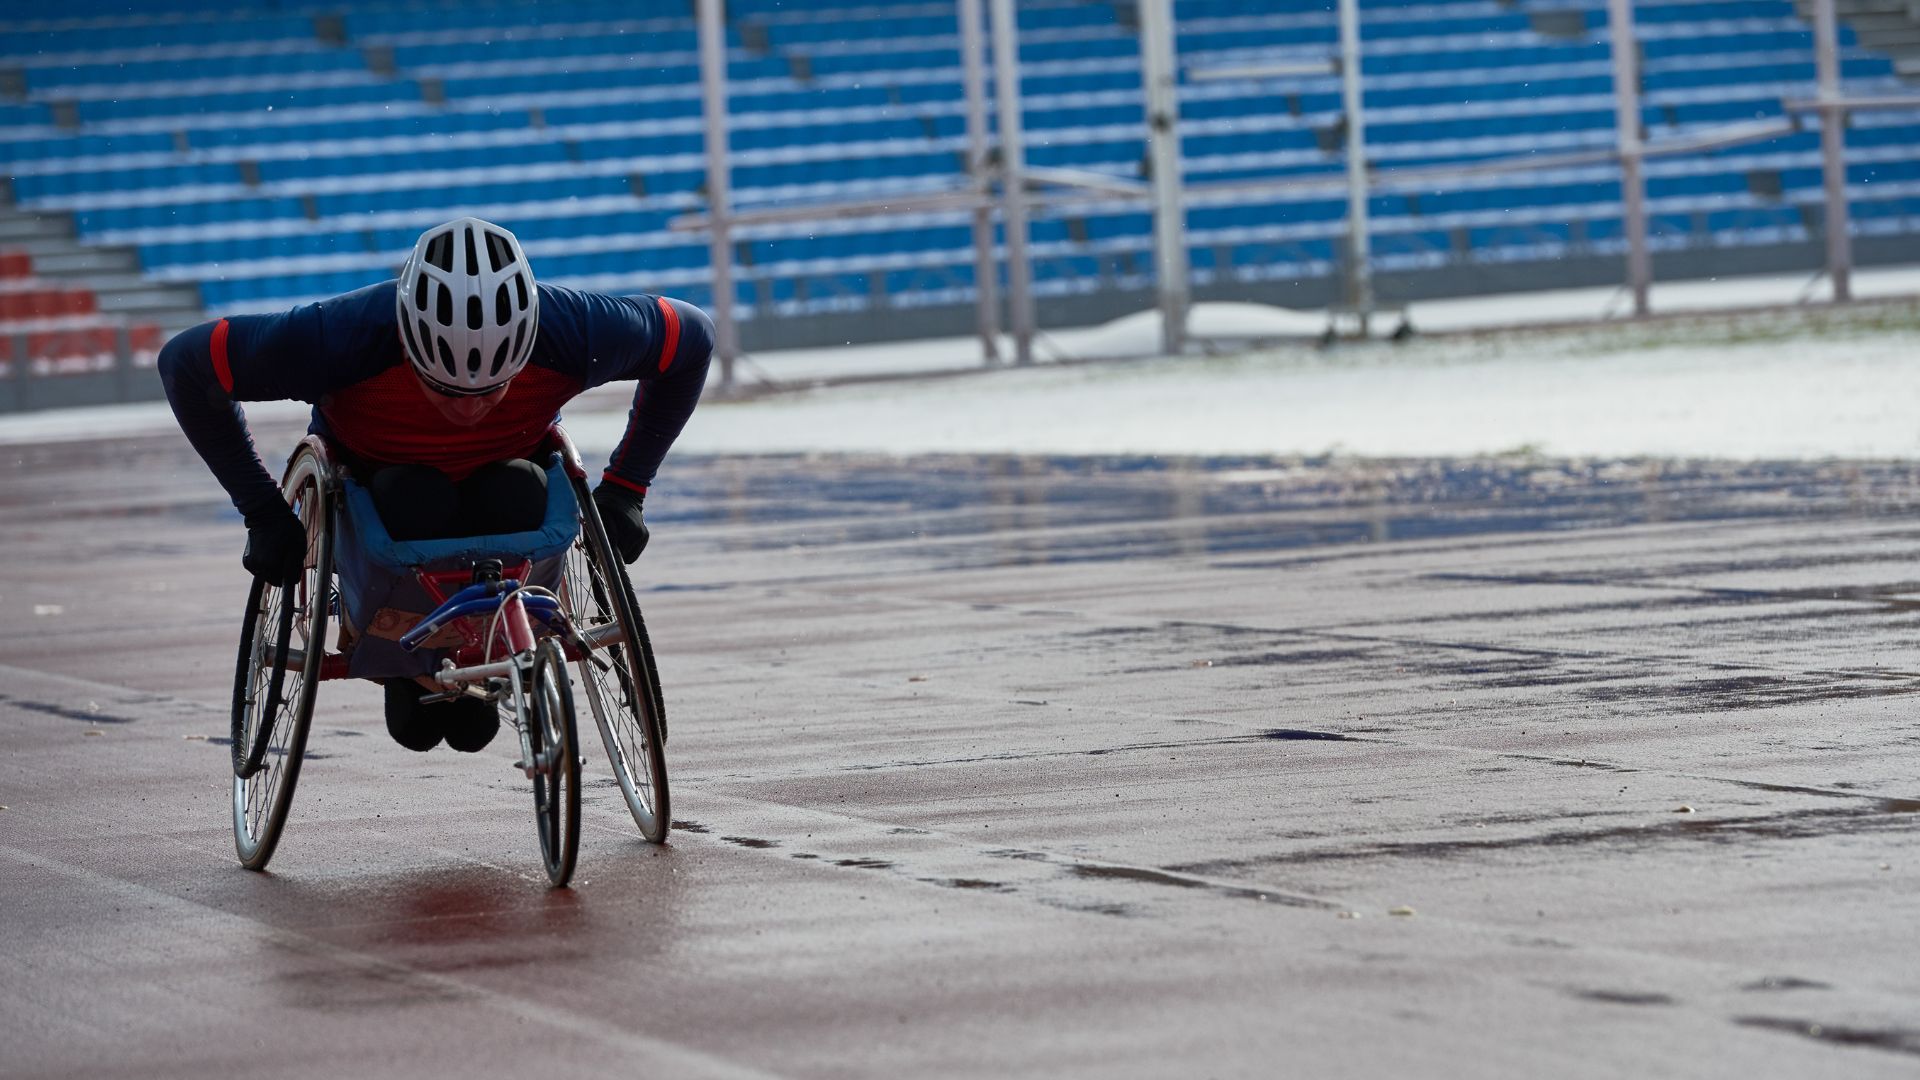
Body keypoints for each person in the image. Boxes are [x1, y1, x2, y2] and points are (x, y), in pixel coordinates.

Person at [159, 217, 714, 754]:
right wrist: (262, 510)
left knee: (517, 489)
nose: (469, 410)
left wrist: (627, 487)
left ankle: (485, 649)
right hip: (387, 495)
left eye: (492, 388)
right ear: (408, 344)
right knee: (415, 498)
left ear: (524, 347)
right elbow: (185, 364)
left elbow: (691, 338)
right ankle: (412, 670)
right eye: (444, 388)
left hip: (508, 484)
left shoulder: (572, 328)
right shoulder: (336, 338)